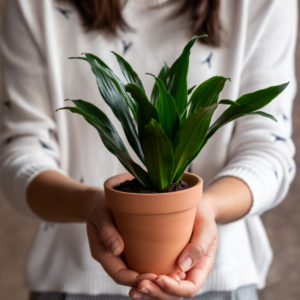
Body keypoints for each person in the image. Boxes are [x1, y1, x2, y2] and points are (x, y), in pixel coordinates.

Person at [0, 0, 297, 299]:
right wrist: (91, 204)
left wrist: (208, 208)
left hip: (217, 281)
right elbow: (21, 151)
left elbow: (268, 149)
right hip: (69, 282)